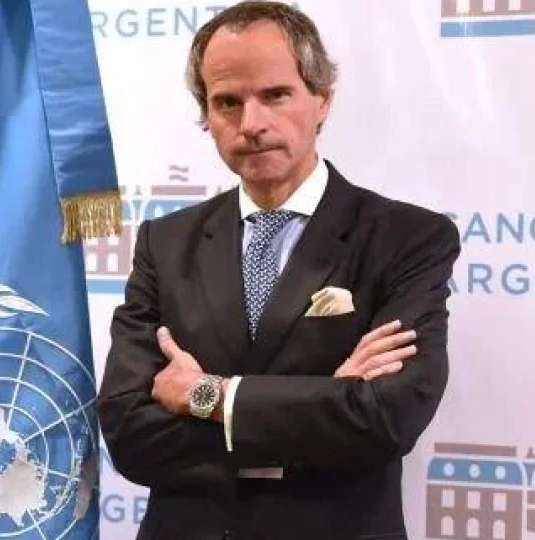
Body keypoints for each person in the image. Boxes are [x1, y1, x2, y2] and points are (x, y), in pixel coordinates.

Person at [96, 2, 462, 539]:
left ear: (322, 98)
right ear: (206, 114)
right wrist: (323, 402)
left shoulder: (407, 238)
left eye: (274, 95)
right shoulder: (165, 243)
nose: (251, 124)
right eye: (227, 102)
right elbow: (129, 433)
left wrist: (206, 396)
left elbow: (385, 418)